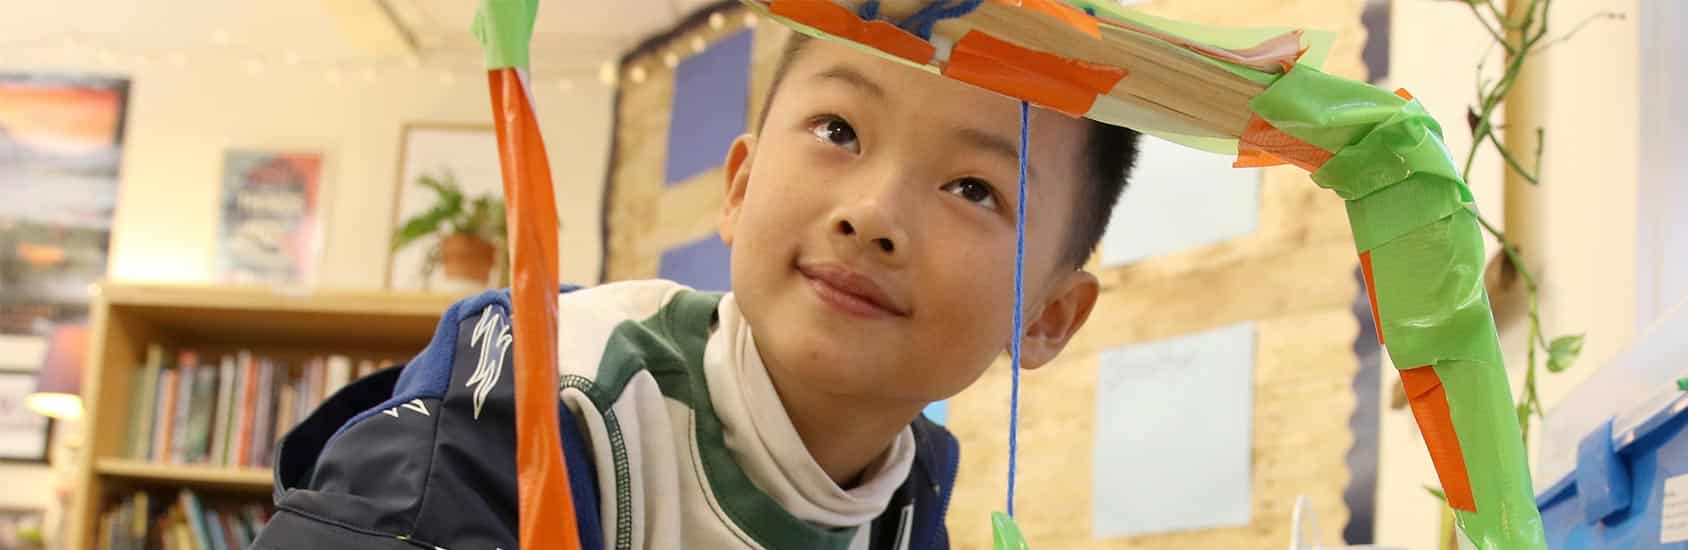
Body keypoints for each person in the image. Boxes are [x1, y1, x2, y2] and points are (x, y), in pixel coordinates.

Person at [253, 34, 1140, 550]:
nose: (873, 215)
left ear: (1050, 316)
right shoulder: (538, 386)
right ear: (740, 188)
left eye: (973, 189)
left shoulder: (912, 500)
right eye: (838, 129)